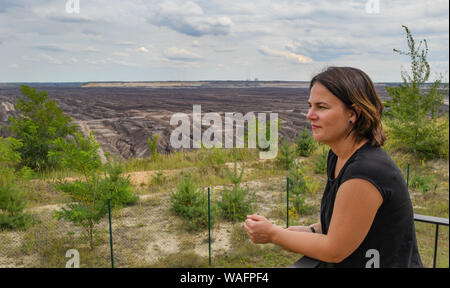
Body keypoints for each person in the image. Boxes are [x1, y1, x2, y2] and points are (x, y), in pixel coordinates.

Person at [244, 67, 423, 268]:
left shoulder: (366, 171)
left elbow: (334, 250)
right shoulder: (339, 157)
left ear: (353, 113)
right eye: (310, 106)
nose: (310, 115)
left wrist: (273, 235)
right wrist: (309, 231)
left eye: (321, 107)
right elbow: (345, 222)